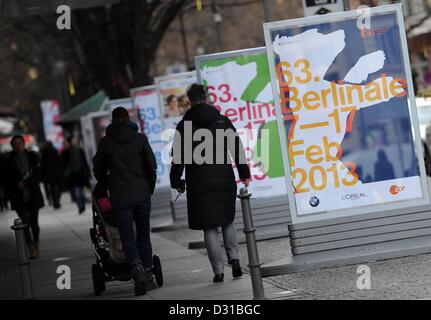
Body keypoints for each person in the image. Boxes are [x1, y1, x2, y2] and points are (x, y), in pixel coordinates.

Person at [170, 83, 250, 283]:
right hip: (223, 177)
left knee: (209, 228)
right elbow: (236, 147)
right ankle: (236, 260)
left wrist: (176, 181)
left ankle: (219, 271)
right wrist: (244, 172)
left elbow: (178, 158)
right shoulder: (222, 120)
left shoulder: (183, 125)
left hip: (198, 182)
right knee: (227, 220)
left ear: (190, 100)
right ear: (206, 97)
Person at [93, 107, 158, 296]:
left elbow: (98, 170)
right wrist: (148, 189)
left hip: (120, 197)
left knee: (127, 236)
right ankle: (147, 271)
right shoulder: (140, 139)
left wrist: (107, 182)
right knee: (143, 234)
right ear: (128, 119)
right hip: (142, 195)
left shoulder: (106, 143)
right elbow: (151, 167)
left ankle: (135, 267)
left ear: (112, 121)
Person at [4, 135, 44, 258]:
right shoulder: (7, 160)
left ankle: (36, 242)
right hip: (18, 196)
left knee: (34, 223)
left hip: (32, 194)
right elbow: (5, 179)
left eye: (20, 143)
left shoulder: (32, 157)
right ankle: (30, 246)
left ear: (24, 144)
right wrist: (15, 185)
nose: (18, 146)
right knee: (24, 223)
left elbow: (38, 175)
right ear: (12, 146)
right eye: (15, 144)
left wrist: (26, 183)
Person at [62, 136, 90, 214]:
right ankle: (80, 206)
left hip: (80, 174)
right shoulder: (66, 152)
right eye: (73, 140)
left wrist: (88, 171)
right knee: (77, 193)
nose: (75, 141)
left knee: (81, 191)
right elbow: (63, 165)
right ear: (70, 141)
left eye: (75, 140)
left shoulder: (80, 150)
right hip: (72, 175)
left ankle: (82, 204)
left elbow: (84, 162)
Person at [40, 141, 63, 209]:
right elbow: (59, 161)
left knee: (52, 188)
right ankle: (57, 200)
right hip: (56, 173)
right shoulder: (54, 150)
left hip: (49, 174)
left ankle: (55, 201)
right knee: (59, 187)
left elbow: (42, 163)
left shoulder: (44, 152)